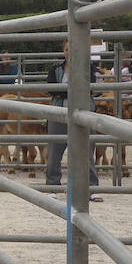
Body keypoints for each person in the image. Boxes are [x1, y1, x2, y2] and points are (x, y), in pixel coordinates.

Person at [44, 41, 102, 203]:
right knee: (55, 151)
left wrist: (62, 92)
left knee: (87, 152)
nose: (70, 52)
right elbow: (51, 89)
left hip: (83, 114)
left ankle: (92, 188)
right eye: (67, 49)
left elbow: (88, 87)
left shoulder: (88, 67)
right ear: (64, 51)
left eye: (73, 49)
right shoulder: (55, 69)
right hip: (59, 114)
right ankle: (52, 186)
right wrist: (72, 91)